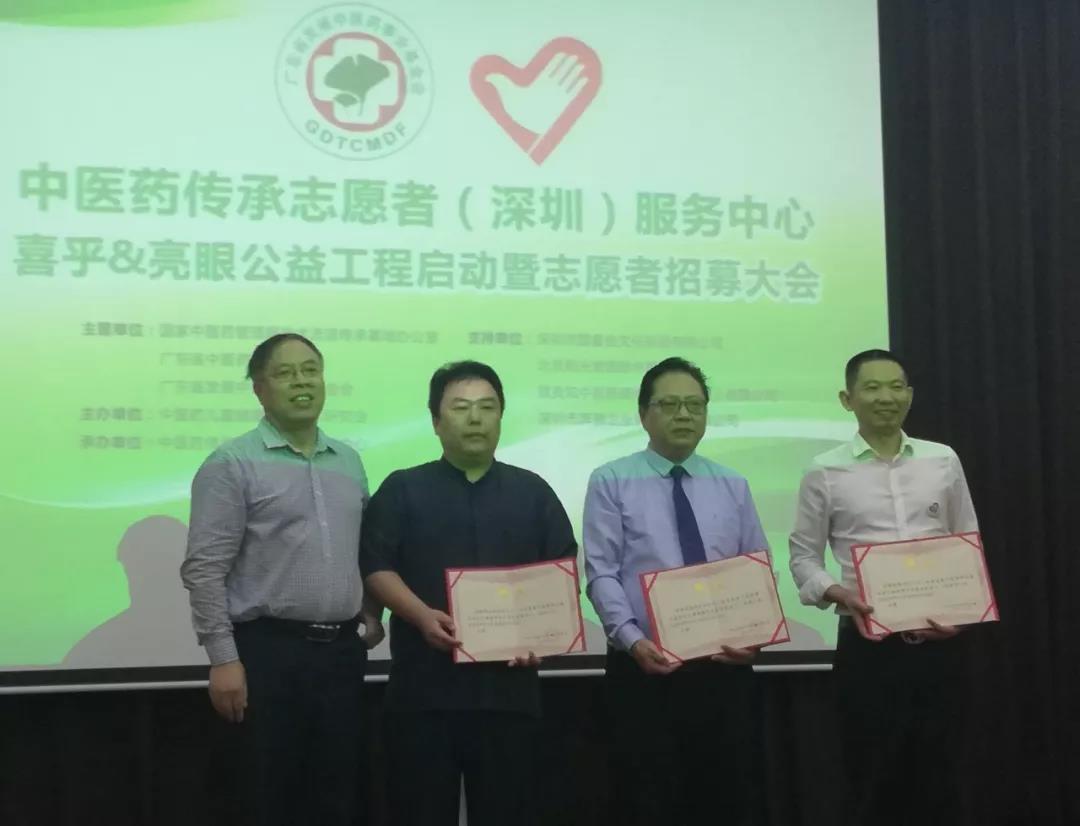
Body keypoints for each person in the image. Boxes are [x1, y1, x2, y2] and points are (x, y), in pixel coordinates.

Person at [360, 360, 576, 826]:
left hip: (510, 697)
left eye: (487, 407)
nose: (475, 418)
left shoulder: (533, 493)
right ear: (436, 422)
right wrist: (420, 615)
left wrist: (543, 636)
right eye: (460, 408)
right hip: (423, 694)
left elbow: (562, 573)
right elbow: (375, 566)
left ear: (501, 417)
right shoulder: (402, 489)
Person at [180, 333, 382, 826]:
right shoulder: (231, 463)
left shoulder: (348, 461)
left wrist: (371, 610)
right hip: (268, 654)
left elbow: (363, 549)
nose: (301, 382)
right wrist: (223, 658)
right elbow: (204, 568)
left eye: (311, 370)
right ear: (259, 388)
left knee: (338, 794)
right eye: (286, 373)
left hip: (340, 655)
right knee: (268, 794)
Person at [788, 348, 979, 826]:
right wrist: (836, 592)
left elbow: (967, 543)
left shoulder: (942, 460)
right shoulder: (824, 470)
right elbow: (803, 558)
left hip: (941, 649)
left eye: (896, 387)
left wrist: (962, 615)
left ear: (910, 395)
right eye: (871, 388)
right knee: (872, 781)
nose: (885, 397)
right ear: (847, 399)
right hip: (869, 650)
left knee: (943, 779)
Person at [583, 356, 768, 826]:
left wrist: (756, 633)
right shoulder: (611, 480)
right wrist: (631, 640)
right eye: (669, 405)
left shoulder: (732, 483)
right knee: (650, 799)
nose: (684, 415)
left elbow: (755, 567)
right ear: (643, 414)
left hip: (724, 669)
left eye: (694, 405)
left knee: (727, 798)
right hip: (645, 668)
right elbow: (601, 572)